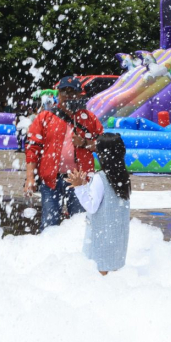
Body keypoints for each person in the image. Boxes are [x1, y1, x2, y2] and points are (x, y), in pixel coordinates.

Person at [24, 77, 104, 232]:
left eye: (72, 91)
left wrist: (85, 144)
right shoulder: (45, 117)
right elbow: (32, 148)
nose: (67, 95)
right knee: (49, 224)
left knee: (80, 224)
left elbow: (104, 145)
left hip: (80, 180)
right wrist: (30, 178)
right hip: (50, 179)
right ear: (58, 94)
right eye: (64, 91)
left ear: (80, 95)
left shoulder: (89, 119)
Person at [67, 133, 131, 275]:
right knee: (114, 276)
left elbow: (92, 206)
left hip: (102, 238)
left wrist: (79, 187)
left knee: (100, 277)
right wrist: (86, 185)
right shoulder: (123, 176)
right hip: (118, 238)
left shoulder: (100, 177)